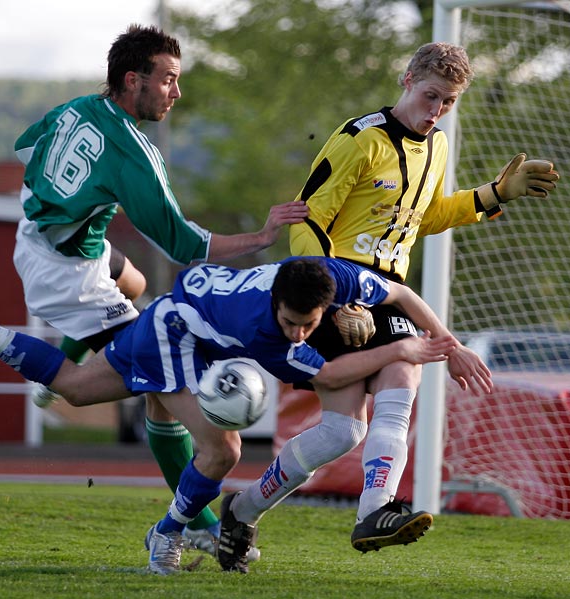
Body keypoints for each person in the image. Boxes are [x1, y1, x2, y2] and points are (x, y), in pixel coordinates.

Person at [0, 256, 491, 575]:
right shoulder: (262, 330)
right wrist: (405, 349)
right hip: (174, 338)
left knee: (75, 387)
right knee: (223, 451)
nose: (301, 331)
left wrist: (449, 341)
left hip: (179, 316)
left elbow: (402, 296)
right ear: (276, 308)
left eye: (310, 323)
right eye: (292, 322)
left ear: (327, 300)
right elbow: (330, 376)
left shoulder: (327, 277)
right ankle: (165, 536)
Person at [216, 41, 561, 568]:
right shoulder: (359, 139)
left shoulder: (438, 145)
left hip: (390, 290)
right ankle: (242, 510)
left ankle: (372, 511)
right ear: (406, 80)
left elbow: (424, 217)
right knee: (342, 430)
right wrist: (330, 302)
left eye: (447, 102)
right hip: (336, 285)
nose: (436, 111)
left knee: (403, 377)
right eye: (430, 96)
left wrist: (493, 194)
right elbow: (307, 223)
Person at [11, 24, 308, 555]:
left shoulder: (78, 106)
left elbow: (23, 145)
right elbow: (184, 243)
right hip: (68, 279)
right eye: (169, 79)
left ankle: (69, 353)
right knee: (161, 385)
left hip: (42, 238)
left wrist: (74, 202)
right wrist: (262, 236)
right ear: (133, 79)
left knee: (139, 283)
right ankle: (197, 524)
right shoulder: (134, 152)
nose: (176, 92)